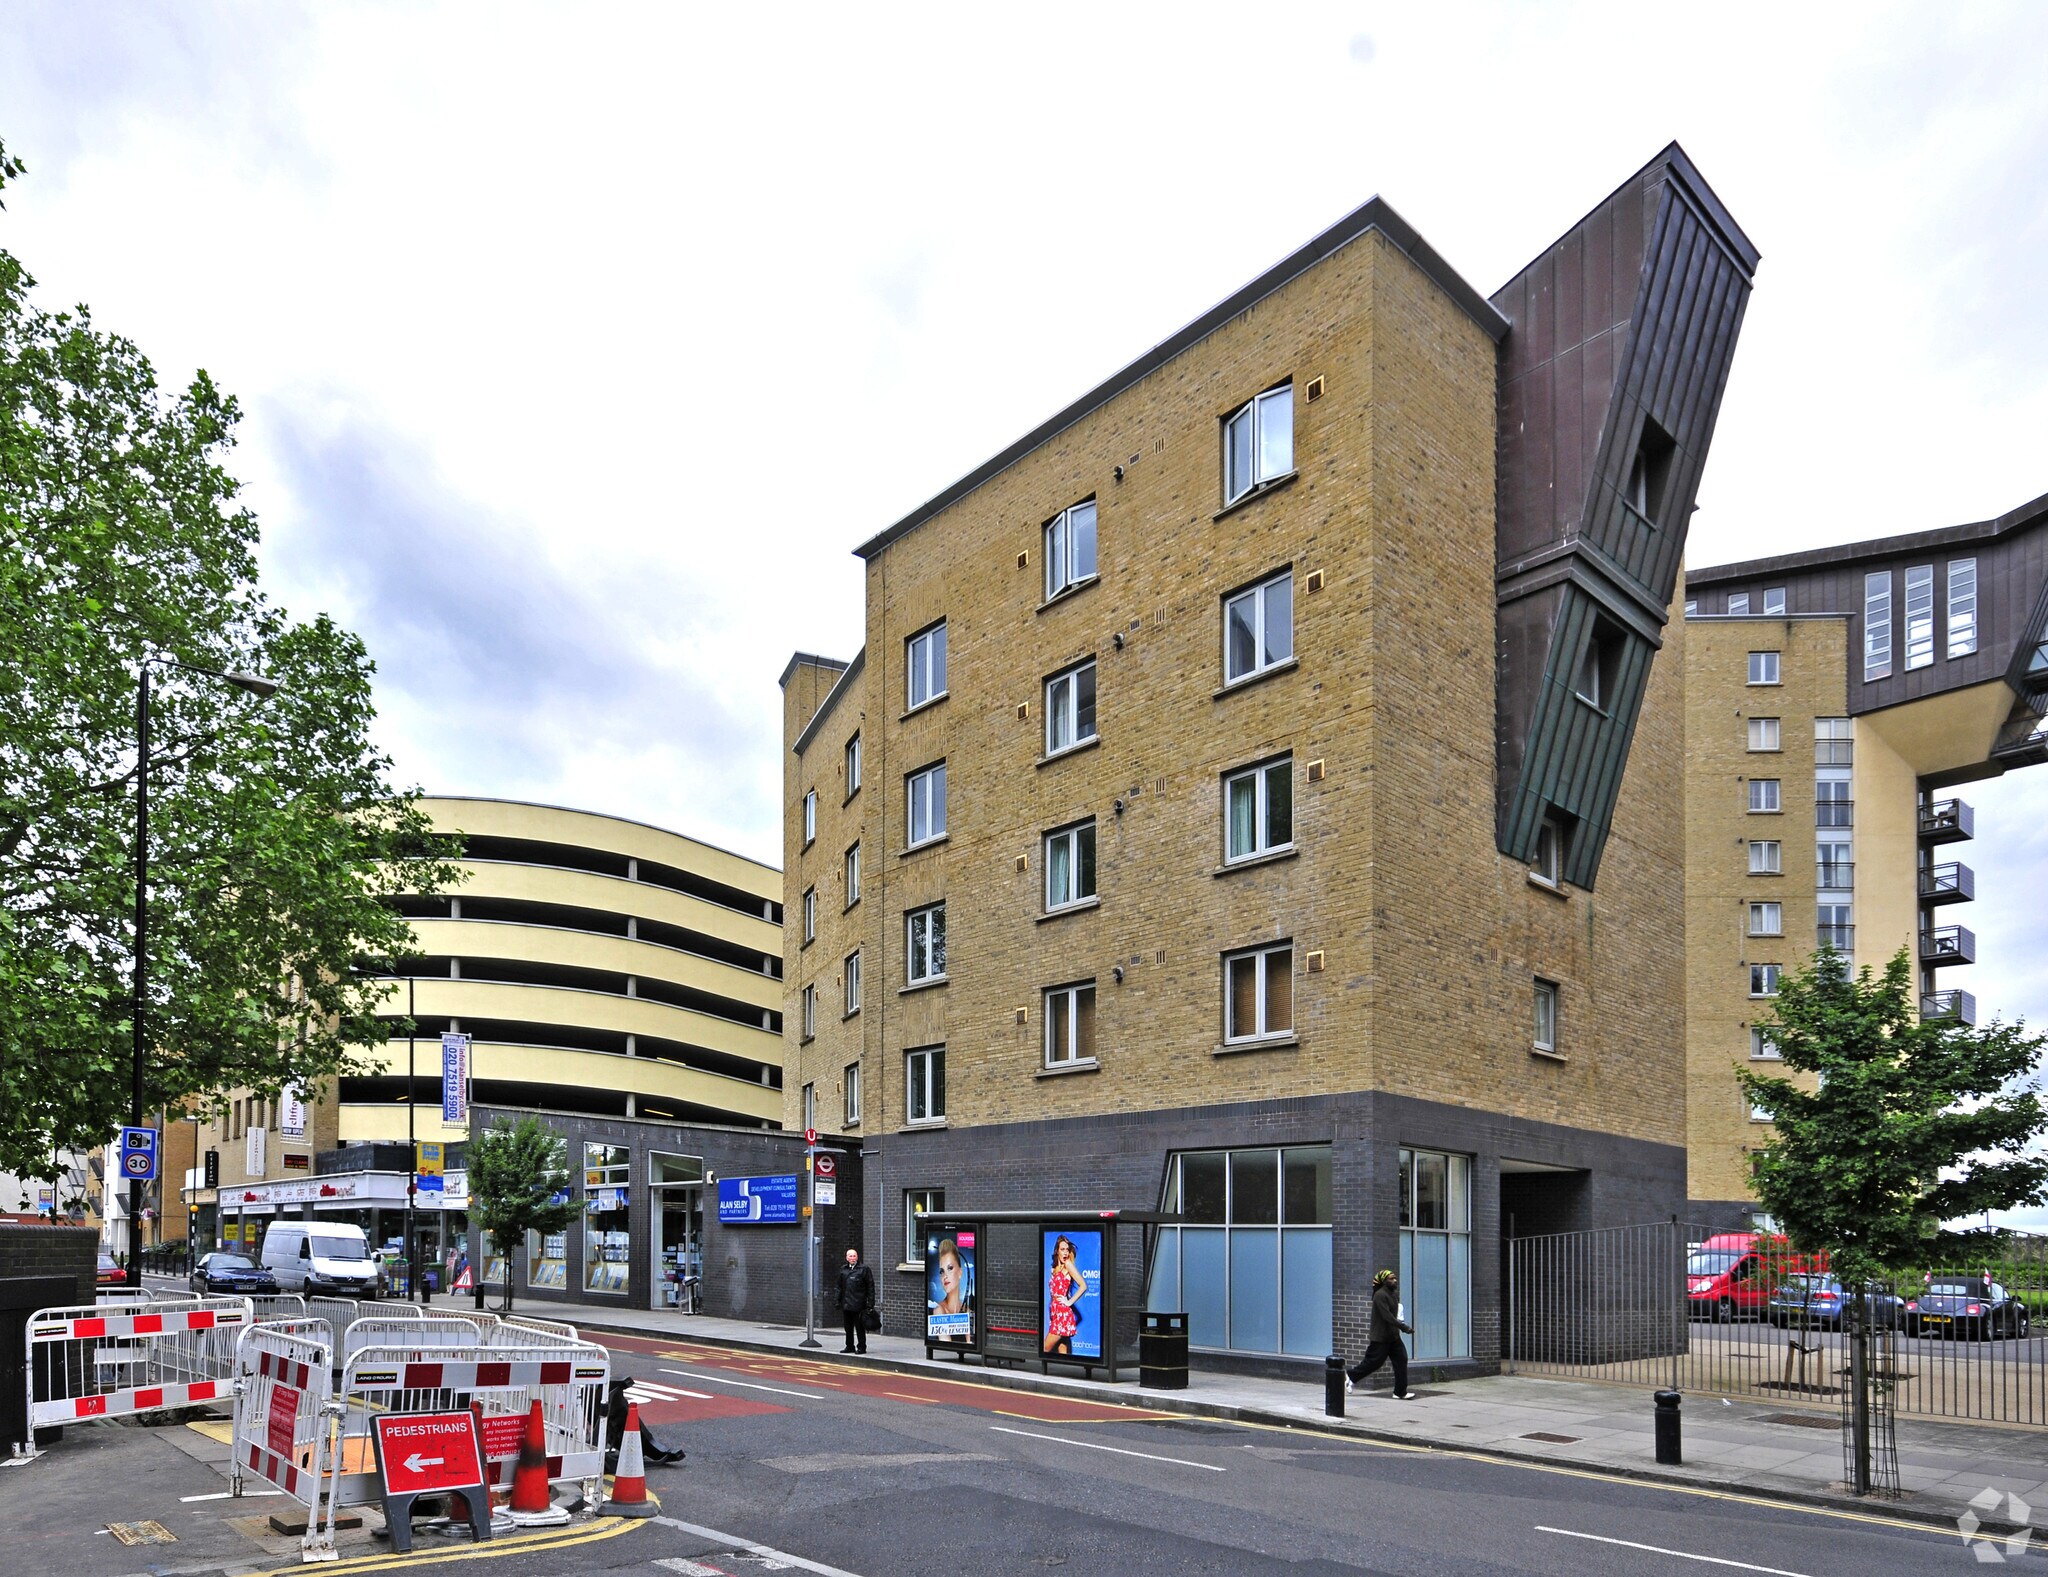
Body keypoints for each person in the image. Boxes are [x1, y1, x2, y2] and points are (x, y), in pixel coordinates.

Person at [1346, 1268, 1416, 1399]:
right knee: (1374, 1362)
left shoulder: (1393, 1294)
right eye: (1391, 1278)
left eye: (1395, 1278)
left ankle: (1400, 1392)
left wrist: (1399, 1324)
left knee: (1401, 1359)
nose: (1395, 1280)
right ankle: (1350, 1376)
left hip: (1393, 1336)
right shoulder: (1380, 1295)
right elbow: (1387, 1316)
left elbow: (1395, 1313)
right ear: (1384, 1281)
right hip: (1381, 1337)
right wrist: (1403, 1327)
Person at [1043, 1234, 1087, 1355]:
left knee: (1045, 1348)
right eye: (1062, 1249)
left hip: (1062, 1316)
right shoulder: (1054, 1268)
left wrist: (1069, 1302)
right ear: (1057, 1251)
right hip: (1055, 1315)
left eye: (1067, 1250)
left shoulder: (1068, 1265)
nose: (1065, 1253)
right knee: (1063, 1351)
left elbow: (1083, 1285)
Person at [835, 1246, 875, 1354]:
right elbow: (839, 1286)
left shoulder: (864, 1269)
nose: (852, 1258)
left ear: (857, 1257)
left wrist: (870, 1303)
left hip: (859, 1303)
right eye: (850, 1256)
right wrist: (837, 1300)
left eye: (854, 1256)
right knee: (848, 1327)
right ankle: (849, 1346)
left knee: (859, 1327)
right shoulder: (843, 1269)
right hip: (846, 1303)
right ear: (846, 1258)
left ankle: (862, 1347)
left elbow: (870, 1286)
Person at [929, 1238, 970, 1343]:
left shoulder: (966, 1310)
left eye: (950, 1268)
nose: (945, 1276)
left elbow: (970, 1342)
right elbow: (945, 1342)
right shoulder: (939, 1310)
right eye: (941, 1271)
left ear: (960, 1272)